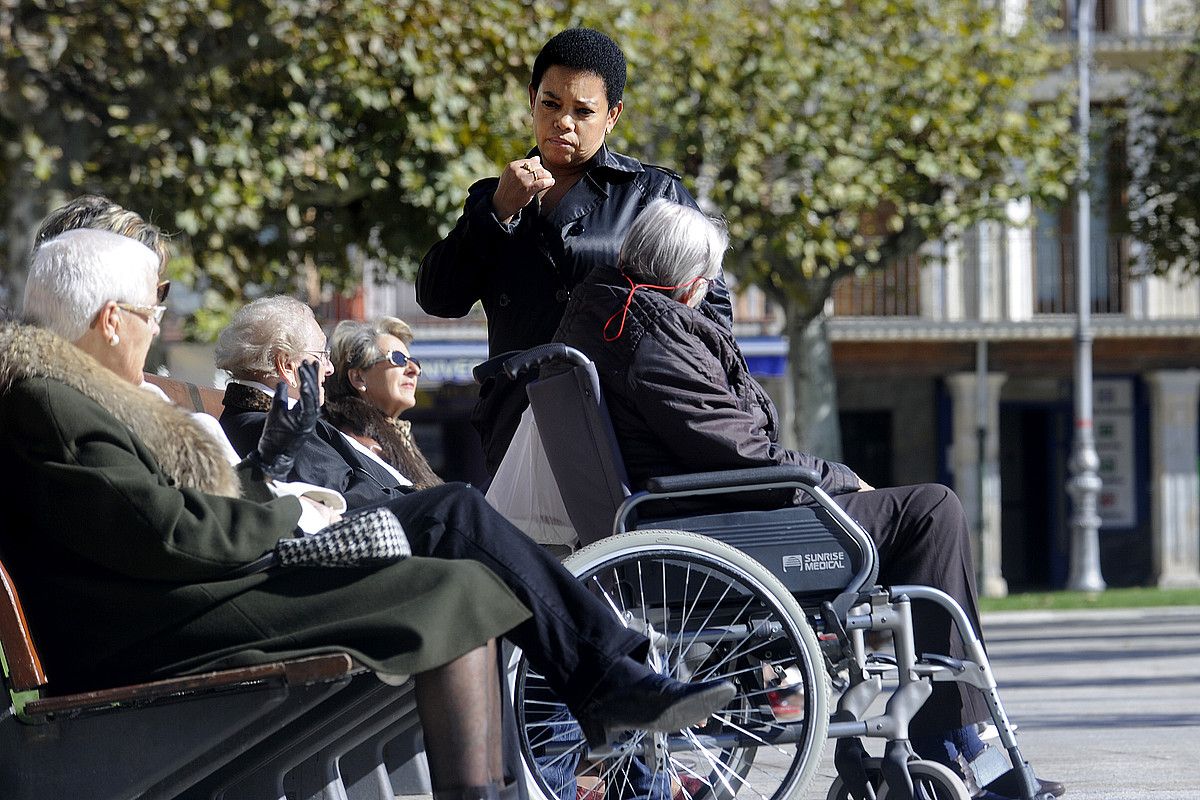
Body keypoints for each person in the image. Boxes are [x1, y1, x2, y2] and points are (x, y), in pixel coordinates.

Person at [553, 200, 1065, 800]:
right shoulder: (654, 339)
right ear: (692, 284)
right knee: (932, 512)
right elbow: (743, 454)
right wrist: (841, 478)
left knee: (919, 516)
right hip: (723, 528)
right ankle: (952, 743)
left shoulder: (615, 321)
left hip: (697, 518)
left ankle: (946, 738)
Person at [1, 229, 528, 800]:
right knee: (453, 590)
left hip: (171, 604)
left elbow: (167, 522)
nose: (155, 327)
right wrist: (287, 508)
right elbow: (173, 533)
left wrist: (264, 473)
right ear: (110, 320)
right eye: (150, 313)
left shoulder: (63, 393)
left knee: (456, 582)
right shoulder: (53, 401)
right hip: (156, 625)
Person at [214, 295, 736, 750]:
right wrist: (422, 501)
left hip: (354, 554)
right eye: (316, 359)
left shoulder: (273, 417)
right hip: (332, 570)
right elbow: (335, 505)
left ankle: (614, 682)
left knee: (472, 527)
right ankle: (613, 683)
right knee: (458, 510)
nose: (325, 370)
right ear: (285, 365)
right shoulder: (263, 424)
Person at [416, 27, 733, 472]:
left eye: (583, 111)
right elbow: (438, 297)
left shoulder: (652, 193)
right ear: (531, 99)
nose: (563, 122)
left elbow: (713, 312)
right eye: (551, 104)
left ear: (612, 115)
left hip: (625, 421)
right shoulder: (495, 196)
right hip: (520, 418)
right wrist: (499, 210)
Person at [324, 316, 442, 490]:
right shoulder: (361, 446)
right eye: (398, 359)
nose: (414, 370)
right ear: (358, 377)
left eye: (414, 362)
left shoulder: (398, 436)